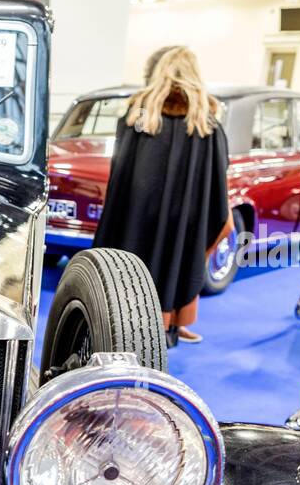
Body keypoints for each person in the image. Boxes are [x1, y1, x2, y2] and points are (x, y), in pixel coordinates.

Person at [92, 45, 232, 346]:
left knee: (131, 268)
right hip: (185, 221)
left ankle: (124, 326)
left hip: (136, 218)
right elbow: (218, 189)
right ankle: (169, 325)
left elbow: (119, 179)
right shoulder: (207, 127)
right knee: (179, 256)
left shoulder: (137, 120)